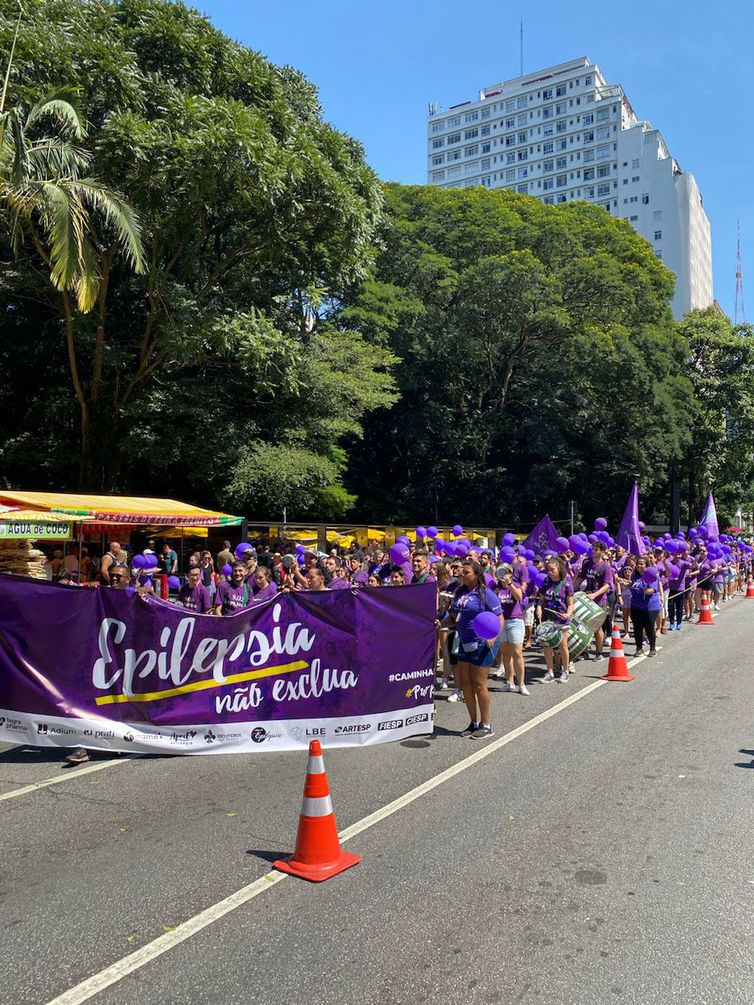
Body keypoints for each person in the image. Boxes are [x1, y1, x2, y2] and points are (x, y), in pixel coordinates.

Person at [439, 559, 502, 739]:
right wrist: (440, 623)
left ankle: (487, 725)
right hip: (464, 641)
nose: (462, 574)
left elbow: (500, 618)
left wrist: (493, 637)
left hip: (482, 643)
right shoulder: (459, 592)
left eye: (466, 572)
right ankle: (474, 723)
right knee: (465, 683)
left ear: (476, 574)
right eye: (461, 572)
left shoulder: (486, 594)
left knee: (479, 683)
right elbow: (453, 617)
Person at [536, 556, 574, 683]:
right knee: (547, 646)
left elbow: (570, 604)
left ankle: (565, 671)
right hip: (548, 619)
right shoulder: (546, 582)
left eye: (552, 570)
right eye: (548, 570)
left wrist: (568, 614)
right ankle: (550, 672)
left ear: (559, 569)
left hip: (562, 619)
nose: (549, 572)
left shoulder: (567, 583)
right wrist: (539, 608)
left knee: (562, 645)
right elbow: (541, 599)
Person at [494, 563, 529, 695]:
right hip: (502, 622)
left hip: (515, 620)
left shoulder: (516, 585)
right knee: (505, 652)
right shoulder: (496, 587)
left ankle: (521, 683)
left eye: (505, 572)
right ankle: (510, 682)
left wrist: (509, 584)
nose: (502, 575)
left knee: (517, 652)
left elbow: (519, 597)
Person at [579, 541, 614, 659]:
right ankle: (584, 650)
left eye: (596, 549)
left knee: (596, 627)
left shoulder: (606, 567)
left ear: (602, 552)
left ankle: (599, 652)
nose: (593, 551)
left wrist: (595, 595)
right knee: (583, 625)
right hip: (586, 598)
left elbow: (607, 585)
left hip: (599, 601)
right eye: (592, 549)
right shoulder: (587, 564)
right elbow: (581, 578)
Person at [629, 557, 661, 656]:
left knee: (649, 628)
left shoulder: (651, 574)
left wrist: (646, 590)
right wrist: (625, 583)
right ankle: (639, 648)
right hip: (635, 605)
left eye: (642, 564)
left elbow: (652, 590)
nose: (639, 566)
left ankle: (652, 648)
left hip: (650, 606)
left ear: (646, 565)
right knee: (637, 628)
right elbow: (632, 586)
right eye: (638, 563)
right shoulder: (635, 575)